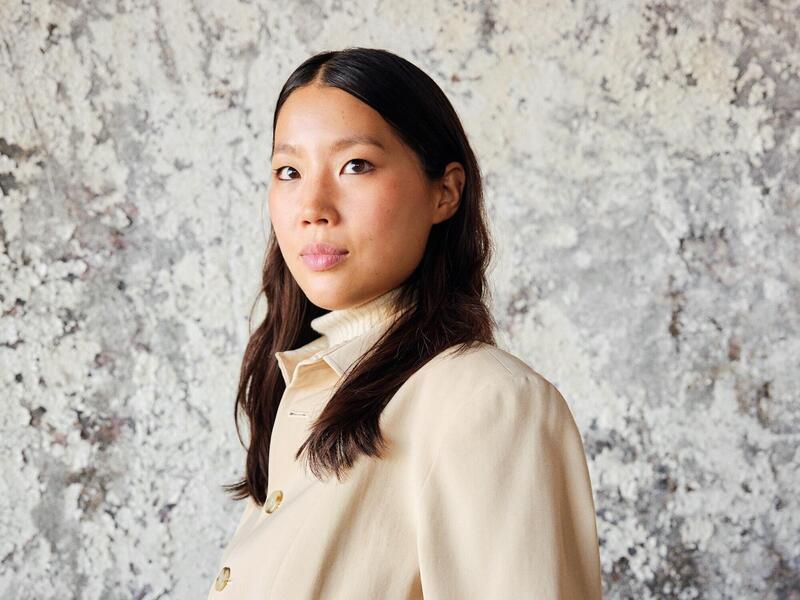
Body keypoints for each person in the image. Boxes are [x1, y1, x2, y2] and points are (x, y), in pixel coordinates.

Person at [207, 46, 603, 600]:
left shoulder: (488, 402)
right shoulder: (305, 389)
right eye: (289, 171)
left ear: (445, 191)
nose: (313, 205)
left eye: (356, 165)